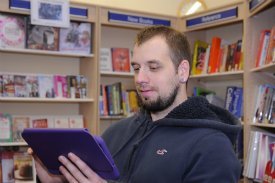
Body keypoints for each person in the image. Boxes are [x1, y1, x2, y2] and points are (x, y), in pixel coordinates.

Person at [31, 25, 242, 183]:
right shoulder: (115, 133)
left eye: (153, 67)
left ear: (182, 71)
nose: (140, 78)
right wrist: (57, 180)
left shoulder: (213, 148)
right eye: (136, 68)